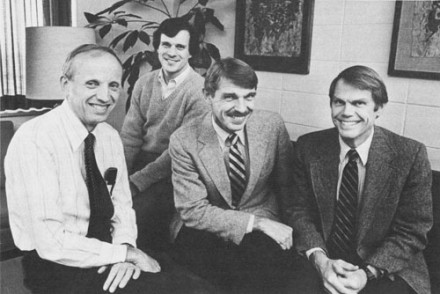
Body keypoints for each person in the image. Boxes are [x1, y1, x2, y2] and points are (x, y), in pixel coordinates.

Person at [4, 44, 217, 294]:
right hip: (55, 265)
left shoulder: (108, 136)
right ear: (65, 84)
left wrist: (124, 248)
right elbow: (50, 243)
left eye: (113, 85)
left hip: (107, 250)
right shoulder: (35, 139)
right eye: (92, 84)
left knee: (195, 283)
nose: (105, 97)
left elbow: (122, 206)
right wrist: (124, 253)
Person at [287, 65, 433, 294]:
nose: (346, 112)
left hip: (388, 266)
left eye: (358, 103)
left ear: (378, 108)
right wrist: (320, 260)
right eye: (339, 102)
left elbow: (412, 231)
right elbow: (298, 211)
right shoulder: (308, 147)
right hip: (325, 256)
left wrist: (366, 273)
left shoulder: (410, 155)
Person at [169, 57, 300, 293]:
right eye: (230, 97)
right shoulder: (184, 140)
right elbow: (192, 211)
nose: (242, 108)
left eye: (249, 96)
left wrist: (292, 233)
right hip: (203, 227)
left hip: (262, 218)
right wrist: (256, 224)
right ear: (208, 96)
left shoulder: (272, 125)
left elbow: (287, 188)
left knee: (265, 273)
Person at [120, 17, 209, 251]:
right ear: (157, 47)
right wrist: (120, 178)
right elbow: (130, 137)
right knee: (104, 206)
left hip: (176, 170)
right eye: (166, 45)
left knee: (136, 215)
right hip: (142, 162)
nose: (171, 52)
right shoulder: (143, 83)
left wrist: (136, 183)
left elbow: (177, 153)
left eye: (180, 47)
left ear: (190, 52)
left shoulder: (200, 91)